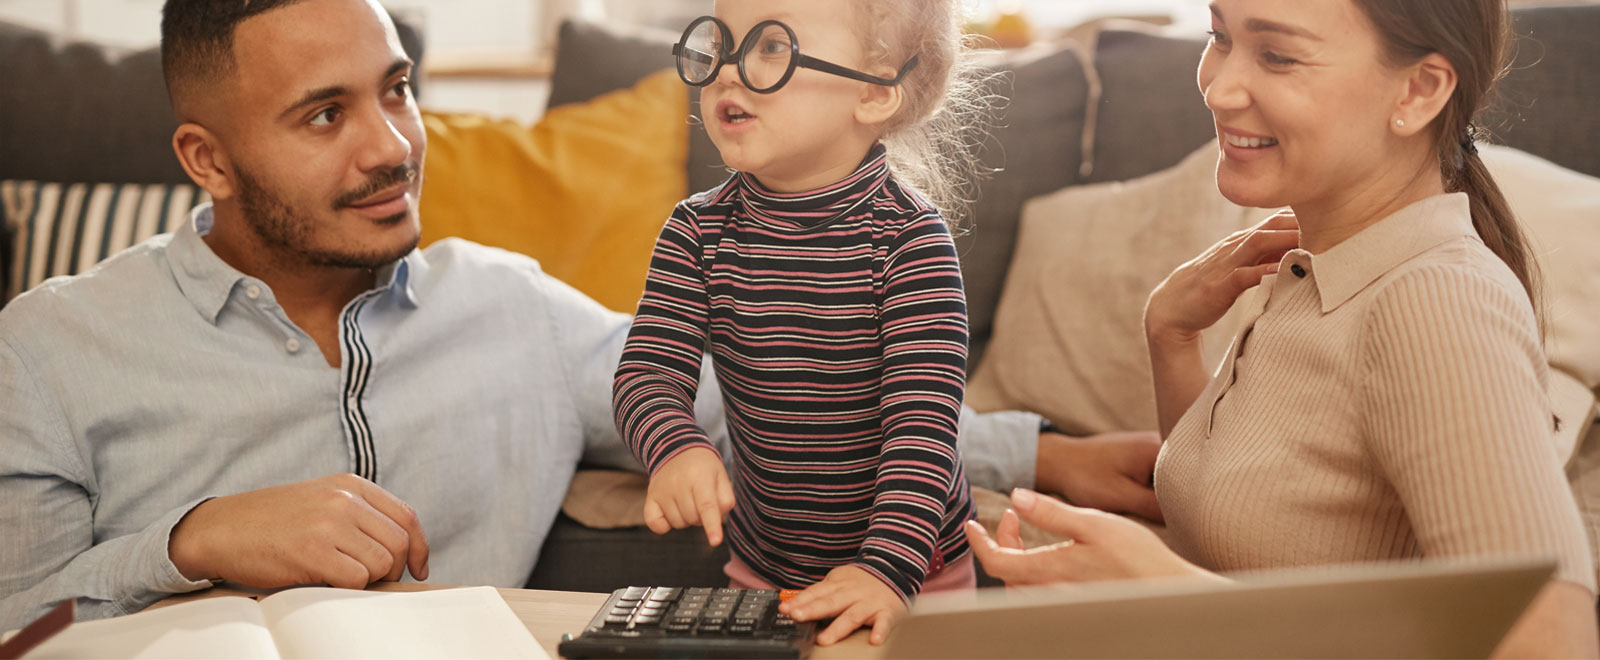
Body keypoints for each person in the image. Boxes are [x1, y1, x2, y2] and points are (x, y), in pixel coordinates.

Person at [0, 0, 1158, 633]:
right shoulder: (51, 348)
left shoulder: (506, 306)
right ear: (204, 158)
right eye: (321, 116)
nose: (392, 147)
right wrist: (189, 540)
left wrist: (1042, 449)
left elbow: (775, 402)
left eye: (398, 91)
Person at [966, 0, 1598, 657]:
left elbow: (1549, 645)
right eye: (1219, 37)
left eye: (1277, 55)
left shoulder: (1436, 300)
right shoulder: (1321, 270)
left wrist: (1166, 595)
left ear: (1418, 90)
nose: (1218, 85)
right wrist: (1170, 336)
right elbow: (1241, 525)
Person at [613, 0, 987, 646]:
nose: (727, 71)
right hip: (765, 571)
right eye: (722, 43)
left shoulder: (909, 243)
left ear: (873, 92)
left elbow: (923, 435)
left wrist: (886, 571)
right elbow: (645, 375)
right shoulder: (696, 236)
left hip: (915, 578)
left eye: (770, 48)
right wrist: (674, 445)